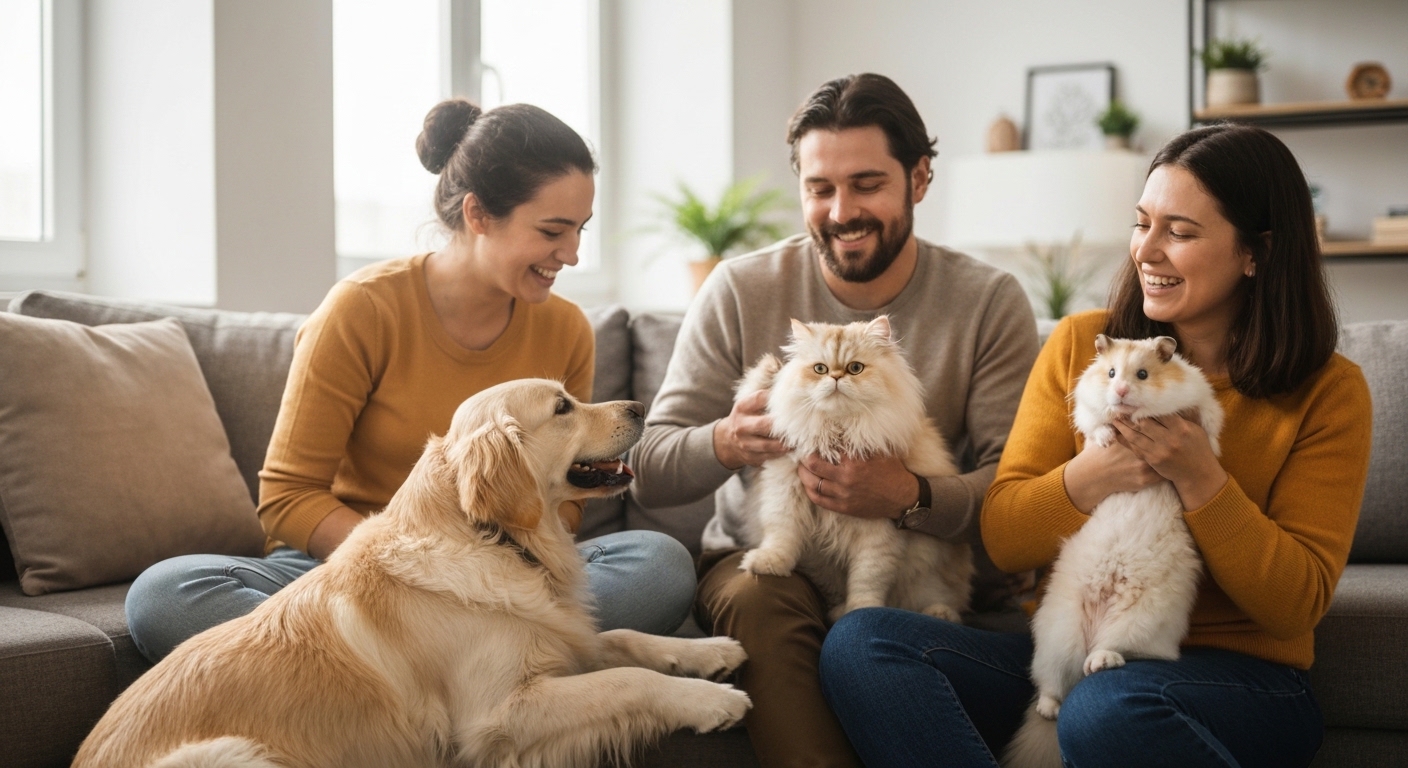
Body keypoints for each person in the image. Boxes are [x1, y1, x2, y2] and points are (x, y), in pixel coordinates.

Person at [819, 123, 1375, 768]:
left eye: (1182, 232)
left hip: (1242, 681)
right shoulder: (1084, 348)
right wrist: (1097, 471)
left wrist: (1201, 478)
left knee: (1108, 709)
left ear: (1257, 252)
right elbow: (1003, 536)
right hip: (1076, 654)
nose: (1148, 251)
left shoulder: (1329, 390)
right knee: (863, 642)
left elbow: (1294, 604)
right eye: (1143, 224)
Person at [126, 99, 696, 663]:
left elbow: (566, 491)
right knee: (166, 596)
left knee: (659, 565)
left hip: (513, 580)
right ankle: (484, 676)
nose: (571, 254)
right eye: (553, 230)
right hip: (356, 572)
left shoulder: (567, 328)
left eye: (580, 231)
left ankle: (438, 679)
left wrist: (495, 570)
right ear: (477, 215)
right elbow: (288, 497)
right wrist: (425, 569)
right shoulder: (363, 310)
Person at [631, 73, 1040, 768]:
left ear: (920, 178)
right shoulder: (740, 289)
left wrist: (911, 497)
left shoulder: (988, 302)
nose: (841, 210)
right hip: (765, 563)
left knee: (869, 636)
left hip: (919, 562)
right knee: (761, 604)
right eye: (820, 188)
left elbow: (1022, 495)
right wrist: (728, 441)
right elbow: (648, 470)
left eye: (867, 184)